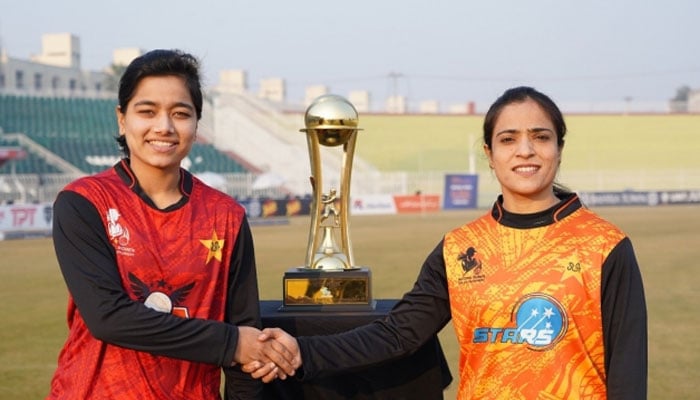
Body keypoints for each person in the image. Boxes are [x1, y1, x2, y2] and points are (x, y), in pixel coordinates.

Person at [245, 86, 648, 399]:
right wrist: (303, 353)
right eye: (508, 139)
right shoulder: (461, 248)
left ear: (558, 148)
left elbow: (627, 371)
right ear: (490, 154)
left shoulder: (604, 244)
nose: (525, 150)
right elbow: (398, 333)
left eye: (540, 137)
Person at [47, 49, 295, 400]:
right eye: (147, 111)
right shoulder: (85, 202)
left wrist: (239, 348)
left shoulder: (227, 216)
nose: (163, 127)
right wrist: (231, 343)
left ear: (196, 124)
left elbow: (246, 341)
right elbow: (107, 317)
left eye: (180, 114)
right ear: (122, 119)